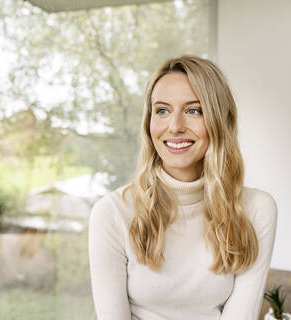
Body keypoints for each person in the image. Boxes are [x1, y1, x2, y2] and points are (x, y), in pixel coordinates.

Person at [88, 55, 277, 320]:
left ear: (219, 121)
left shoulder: (256, 209)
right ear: (149, 122)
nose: (175, 126)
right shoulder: (112, 212)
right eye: (162, 110)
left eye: (193, 110)